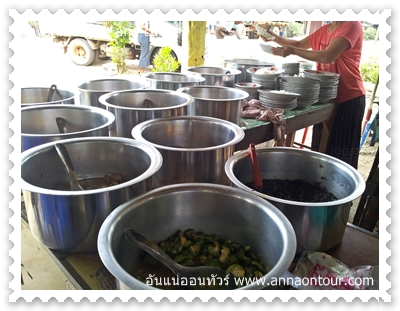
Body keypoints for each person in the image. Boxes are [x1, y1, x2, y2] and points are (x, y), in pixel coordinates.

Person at [261, 21, 366, 169]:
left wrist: (292, 51)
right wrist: (274, 38)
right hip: (325, 97)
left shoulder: (352, 25)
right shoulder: (325, 29)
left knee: (341, 157)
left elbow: (328, 56)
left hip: (349, 96)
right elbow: (299, 43)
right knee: (320, 150)